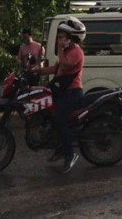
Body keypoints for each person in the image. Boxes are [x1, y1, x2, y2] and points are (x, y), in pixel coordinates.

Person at [36, 17, 86, 173]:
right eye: (59, 37)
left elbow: (65, 65)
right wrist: (36, 70)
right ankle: (60, 147)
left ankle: (70, 154)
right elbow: (56, 69)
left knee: (60, 119)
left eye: (61, 37)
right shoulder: (67, 51)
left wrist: (61, 49)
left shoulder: (76, 51)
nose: (58, 39)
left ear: (70, 38)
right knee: (50, 116)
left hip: (72, 92)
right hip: (62, 91)